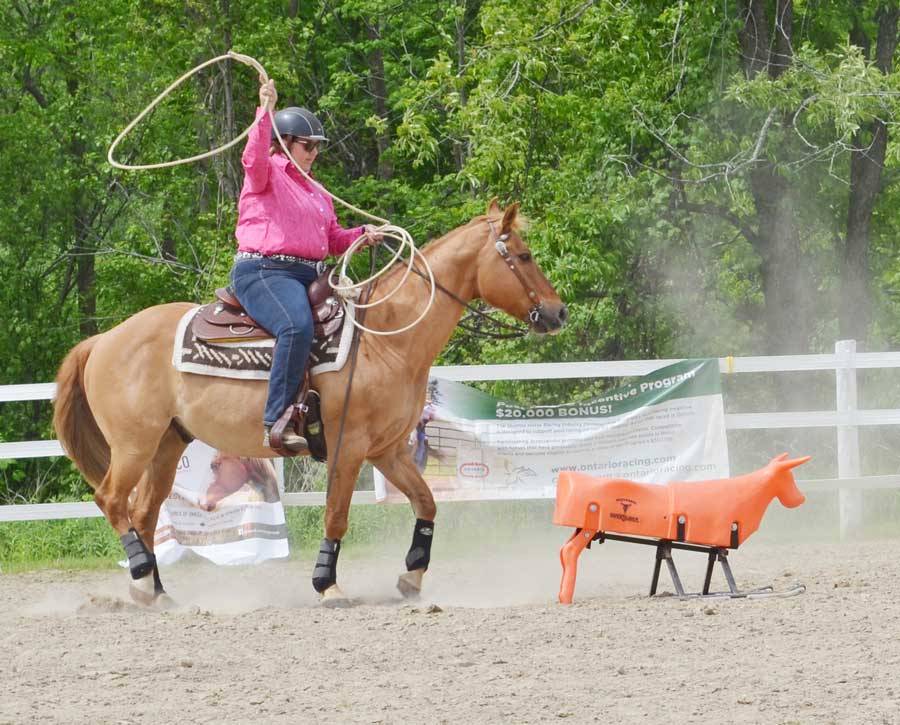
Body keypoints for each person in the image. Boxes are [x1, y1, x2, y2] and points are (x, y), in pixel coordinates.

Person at [231, 77, 381, 451]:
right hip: (265, 271)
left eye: (318, 146)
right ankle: (277, 420)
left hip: (308, 274)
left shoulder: (317, 192)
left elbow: (331, 241)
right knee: (296, 326)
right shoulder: (265, 174)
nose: (314, 152)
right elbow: (251, 157)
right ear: (285, 143)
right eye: (307, 144)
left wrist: (362, 233)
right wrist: (264, 112)